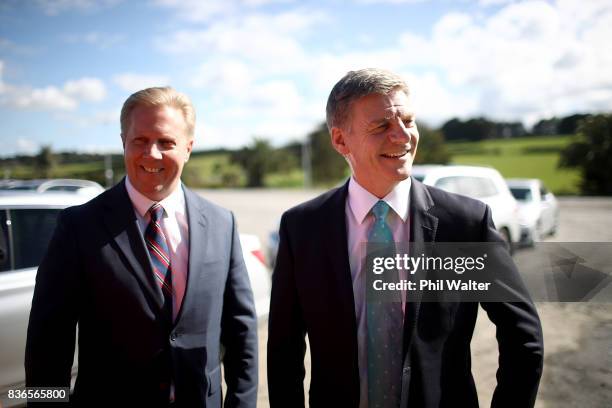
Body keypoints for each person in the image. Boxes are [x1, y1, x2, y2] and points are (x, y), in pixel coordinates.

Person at [267, 68, 543, 407]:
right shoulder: (302, 228)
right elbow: (284, 350)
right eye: (381, 126)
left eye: (408, 122)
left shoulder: (465, 224)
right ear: (340, 140)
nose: (402, 136)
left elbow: (522, 339)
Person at [25, 87, 258, 407]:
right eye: (140, 140)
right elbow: (47, 345)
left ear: (188, 148)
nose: (152, 153)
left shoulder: (222, 224)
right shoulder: (78, 227)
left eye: (166, 142)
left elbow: (241, 333)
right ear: (123, 142)